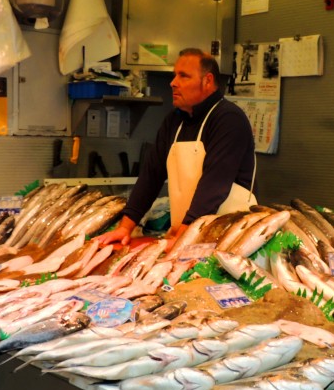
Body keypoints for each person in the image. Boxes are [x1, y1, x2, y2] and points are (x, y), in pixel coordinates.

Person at [98, 49, 256, 248]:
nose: (173, 82)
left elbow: (214, 186)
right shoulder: (175, 121)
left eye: (183, 76)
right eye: (174, 75)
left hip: (232, 238)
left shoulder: (228, 119)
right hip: (188, 236)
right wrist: (125, 228)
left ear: (207, 81)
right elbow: (151, 177)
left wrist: (182, 236)